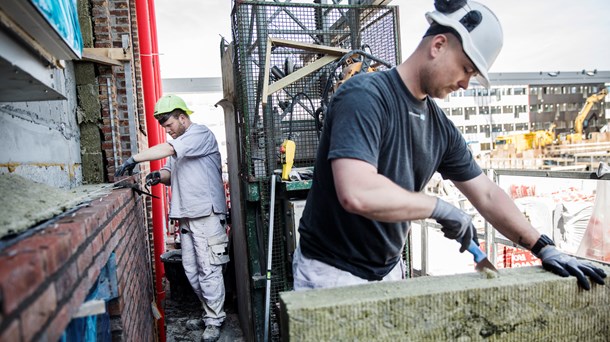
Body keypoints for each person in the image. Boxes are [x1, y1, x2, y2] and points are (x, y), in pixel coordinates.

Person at [293, 0, 606, 291]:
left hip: (389, 270)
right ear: (439, 45)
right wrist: (440, 208)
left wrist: (543, 246)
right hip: (331, 272)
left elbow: (486, 192)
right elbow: (357, 192)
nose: (466, 83)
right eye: (466, 68)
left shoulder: (439, 128)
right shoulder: (365, 96)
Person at [115, 94, 228, 342]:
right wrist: (158, 176)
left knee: (209, 270)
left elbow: (168, 149)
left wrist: (134, 158)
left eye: (169, 125)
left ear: (182, 117)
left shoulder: (199, 134)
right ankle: (210, 312)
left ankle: (215, 318)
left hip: (206, 214)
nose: (168, 131)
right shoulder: (180, 142)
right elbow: (170, 170)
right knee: (192, 270)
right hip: (188, 216)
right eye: (164, 127)